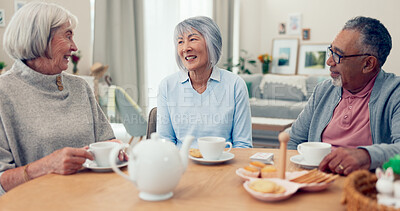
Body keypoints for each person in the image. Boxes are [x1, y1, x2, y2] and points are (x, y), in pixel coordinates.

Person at [0, 2, 120, 195]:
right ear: (40, 38)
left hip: (91, 197)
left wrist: (115, 148)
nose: (74, 47)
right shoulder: (3, 93)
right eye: (68, 36)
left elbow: (107, 140)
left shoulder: (80, 87)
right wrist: (45, 166)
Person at [288, 16, 400, 175]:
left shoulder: (395, 93)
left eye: (338, 55)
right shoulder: (323, 90)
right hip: (316, 180)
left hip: (363, 186)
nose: (329, 61)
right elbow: (294, 140)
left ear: (368, 64)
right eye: (331, 51)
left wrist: (366, 155)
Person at [157, 16, 252, 148]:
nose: (185, 48)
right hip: (182, 165)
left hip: (223, 165)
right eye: (180, 42)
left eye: (192, 39)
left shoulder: (235, 85)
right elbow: (164, 142)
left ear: (212, 43)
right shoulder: (167, 86)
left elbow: (242, 144)